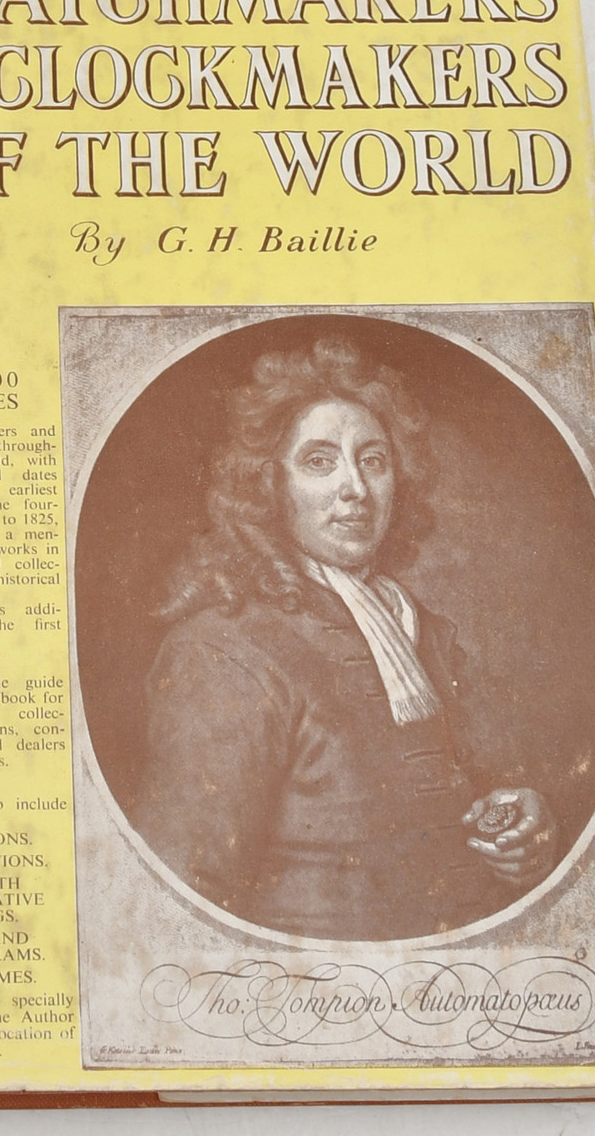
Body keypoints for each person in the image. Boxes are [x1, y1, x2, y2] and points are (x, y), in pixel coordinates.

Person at [133, 332, 556, 939]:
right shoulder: (224, 648)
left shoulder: (422, 631)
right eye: (319, 461)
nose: (355, 487)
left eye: (374, 460)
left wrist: (524, 827)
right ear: (268, 485)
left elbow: (484, 786)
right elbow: (182, 892)